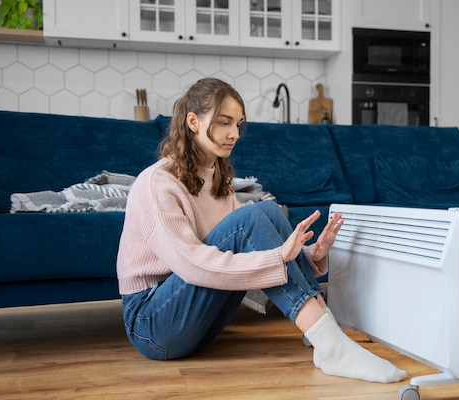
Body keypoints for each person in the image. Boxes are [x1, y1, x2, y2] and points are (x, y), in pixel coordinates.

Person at [117, 78, 407, 384]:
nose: (234, 134)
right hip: (152, 325)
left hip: (195, 322)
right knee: (250, 218)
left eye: (239, 125)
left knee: (267, 211)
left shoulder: (218, 182)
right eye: (224, 123)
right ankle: (332, 345)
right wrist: (278, 256)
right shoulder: (157, 184)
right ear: (193, 121)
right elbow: (191, 265)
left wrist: (310, 255)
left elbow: (243, 253)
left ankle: (326, 339)